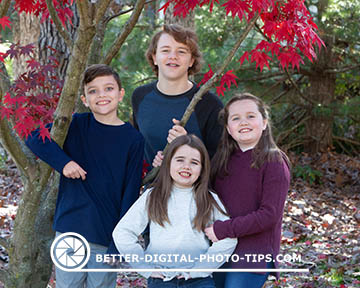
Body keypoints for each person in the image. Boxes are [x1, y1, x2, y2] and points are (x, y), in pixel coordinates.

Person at [25, 64, 144, 288]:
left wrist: (117, 246)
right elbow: (33, 137)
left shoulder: (133, 140)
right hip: (70, 230)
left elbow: (130, 194)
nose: (101, 95)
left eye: (108, 88)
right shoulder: (76, 125)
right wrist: (64, 162)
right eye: (93, 91)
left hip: (105, 235)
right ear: (84, 98)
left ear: (120, 94)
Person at [112, 134, 237, 288]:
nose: (186, 166)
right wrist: (144, 267)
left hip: (198, 280)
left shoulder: (209, 199)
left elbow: (228, 237)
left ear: (202, 168)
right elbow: (122, 232)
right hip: (161, 279)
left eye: (194, 162)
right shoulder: (153, 195)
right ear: (168, 163)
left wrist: (201, 268)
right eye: (180, 160)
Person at [204, 93, 291, 288]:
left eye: (251, 116)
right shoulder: (221, 161)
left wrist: (224, 230)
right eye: (235, 118)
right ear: (228, 128)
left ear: (264, 122)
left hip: (253, 253)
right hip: (219, 249)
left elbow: (269, 214)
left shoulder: (274, 161)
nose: (243, 122)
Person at [131, 24, 223, 168]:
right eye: (165, 50)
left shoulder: (209, 104)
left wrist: (187, 146)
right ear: (154, 57)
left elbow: (220, 161)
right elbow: (136, 148)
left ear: (191, 60)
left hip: (193, 189)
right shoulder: (140, 97)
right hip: (150, 187)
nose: (173, 56)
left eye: (181, 51)